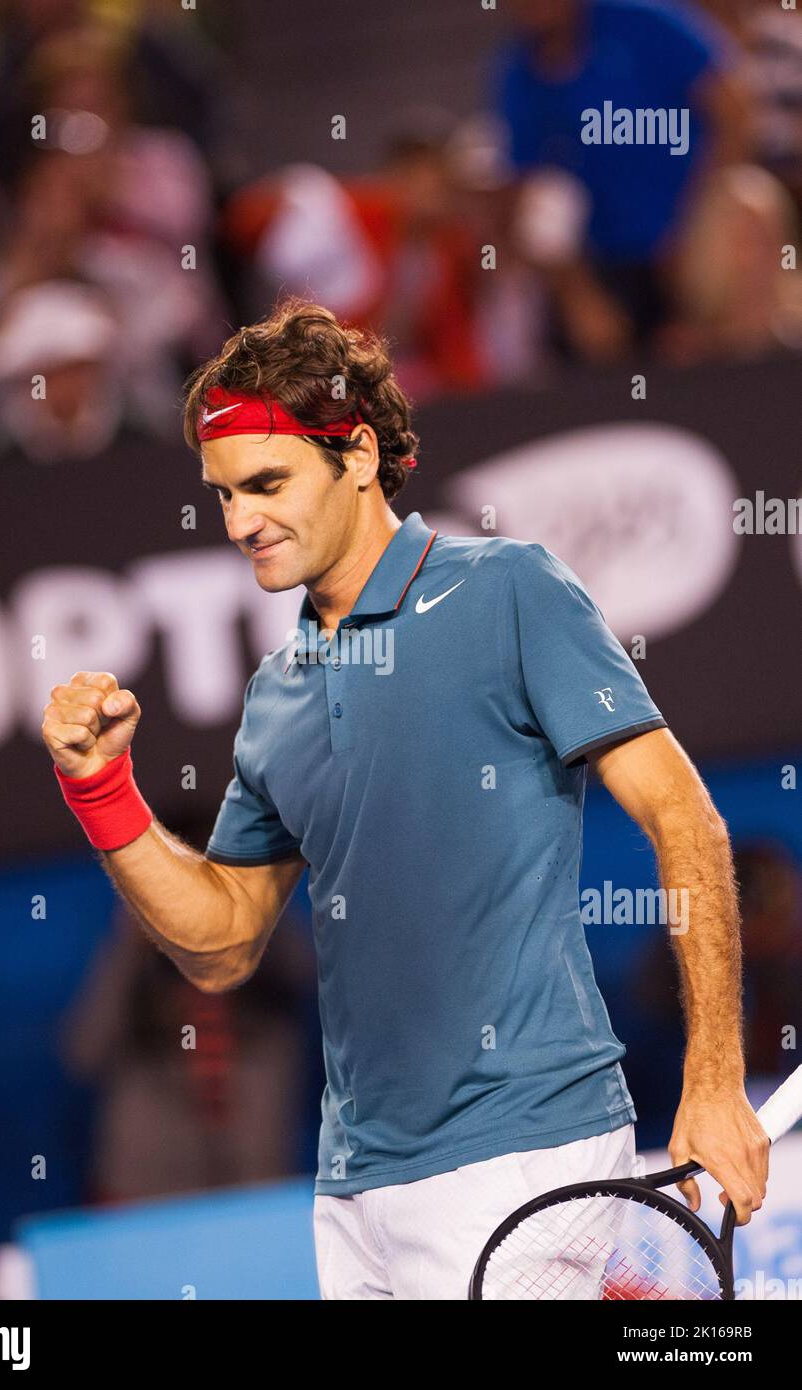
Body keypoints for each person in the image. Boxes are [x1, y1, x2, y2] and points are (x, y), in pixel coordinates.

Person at [40, 298, 769, 1300]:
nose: (240, 520)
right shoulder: (276, 693)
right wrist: (102, 790)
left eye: (265, 483)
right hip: (354, 1193)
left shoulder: (506, 589)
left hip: (522, 1158)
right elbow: (220, 943)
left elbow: (682, 815)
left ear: (357, 455)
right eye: (220, 495)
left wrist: (713, 1076)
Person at [488, 0, 751, 360]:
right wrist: (580, 296)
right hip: (604, 268)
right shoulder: (516, 74)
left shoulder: (648, 22)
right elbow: (532, 197)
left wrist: (701, 227)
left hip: (696, 246)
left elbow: (733, 111)